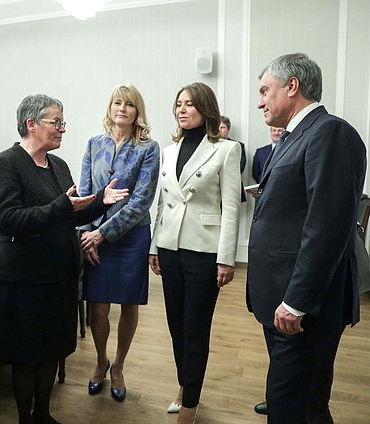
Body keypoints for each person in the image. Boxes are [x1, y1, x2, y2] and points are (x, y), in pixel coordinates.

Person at [0, 94, 129, 424]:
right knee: (27, 355)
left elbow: (71, 213)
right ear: (31, 124)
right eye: (56, 122)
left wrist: (101, 203)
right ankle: (26, 417)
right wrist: (63, 207)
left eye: (63, 123)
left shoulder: (58, 166)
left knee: (52, 349)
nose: (62, 129)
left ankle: (43, 415)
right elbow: (10, 219)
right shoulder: (6, 163)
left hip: (58, 276)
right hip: (25, 280)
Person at [247, 53, 366, 423]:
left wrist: (297, 301)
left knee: (291, 406)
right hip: (283, 301)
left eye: (266, 90)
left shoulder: (330, 132)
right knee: (306, 403)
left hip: (302, 308)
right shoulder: (295, 136)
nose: (260, 101)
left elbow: (327, 226)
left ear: (292, 86)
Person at [149, 82, 241, 424]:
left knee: (196, 327)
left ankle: (190, 403)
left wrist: (226, 258)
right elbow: (161, 203)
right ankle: (185, 386)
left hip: (204, 251)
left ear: (205, 108)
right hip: (170, 248)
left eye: (189, 104)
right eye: (178, 104)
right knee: (176, 326)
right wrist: (153, 246)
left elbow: (231, 207)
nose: (181, 109)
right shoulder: (168, 151)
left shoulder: (226, 150)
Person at [77, 83, 160, 402]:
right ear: (110, 108)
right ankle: (101, 361)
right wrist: (88, 234)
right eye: (117, 102)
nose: (122, 108)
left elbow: (141, 200)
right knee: (97, 307)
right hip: (94, 237)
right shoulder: (93, 143)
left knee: (128, 303)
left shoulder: (148, 148)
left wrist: (103, 233)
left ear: (138, 112)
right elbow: (84, 193)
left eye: (129, 104)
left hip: (131, 236)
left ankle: (119, 367)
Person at [219, 115, 247, 202]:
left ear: (228, 129)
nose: (219, 130)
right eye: (217, 127)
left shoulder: (238, 145)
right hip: (214, 188)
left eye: (222, 127)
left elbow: (240, 167)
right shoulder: (209, 146)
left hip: (232, 186)